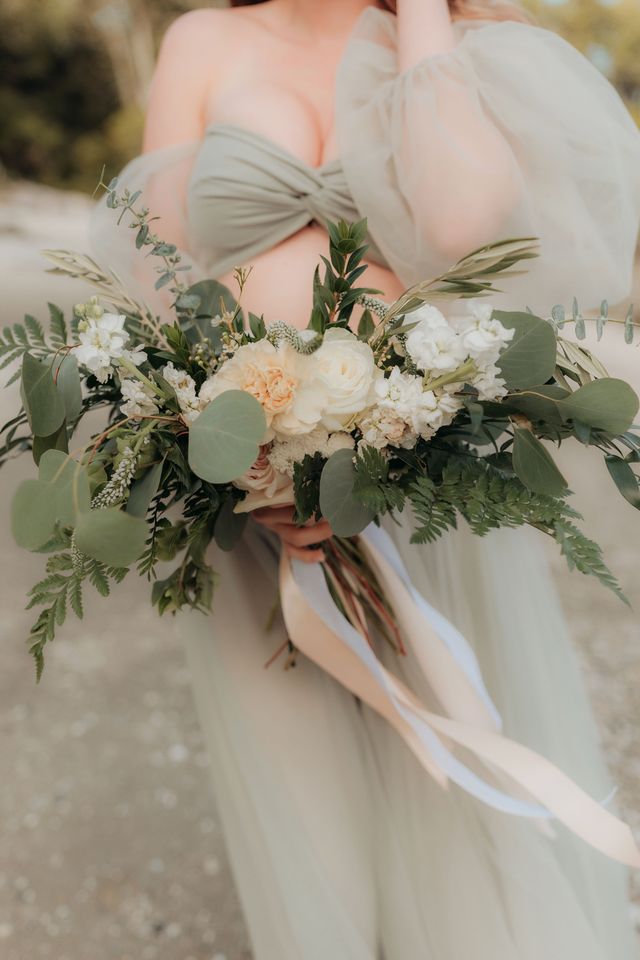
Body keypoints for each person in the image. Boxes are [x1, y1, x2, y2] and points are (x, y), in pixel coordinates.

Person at [90, 1, 640, 956]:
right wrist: (229, 462)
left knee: (457, 799)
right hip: (250, 496)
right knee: (307, 792)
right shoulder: (202, 44)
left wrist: (424, 14)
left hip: (426, 491)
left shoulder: (455, 47)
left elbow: (464, 223)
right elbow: (155, 271)